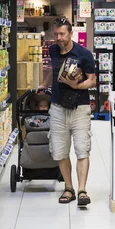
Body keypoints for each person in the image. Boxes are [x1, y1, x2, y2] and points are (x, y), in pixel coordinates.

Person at [39, 18, 96, 205]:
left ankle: (82, 191)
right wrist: (44, 84)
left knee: (82, 149)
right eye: (56, 34)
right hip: (57, 107)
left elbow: (92, 81)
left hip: (80, 107)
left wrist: (75, 85)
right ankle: (68, 188)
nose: (58, 38)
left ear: (71, 33)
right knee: (60, 150)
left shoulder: (84, 54)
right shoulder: (53, 49)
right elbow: (52, 71)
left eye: (62, 34)